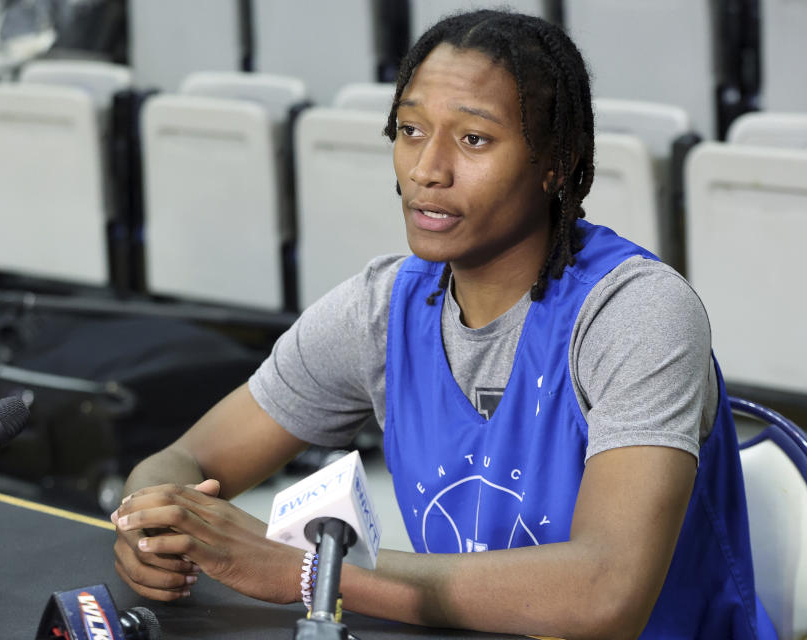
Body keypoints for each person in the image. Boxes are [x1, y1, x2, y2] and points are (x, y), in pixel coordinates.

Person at [111, 10, 776, 639]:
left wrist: (311, 572)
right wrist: (153, 522)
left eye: (474, 139)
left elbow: (607, 593)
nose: (427, 170)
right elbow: (186, 459)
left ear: (555, 161)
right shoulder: (378, 310)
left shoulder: (635, 314)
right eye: (409, 130)